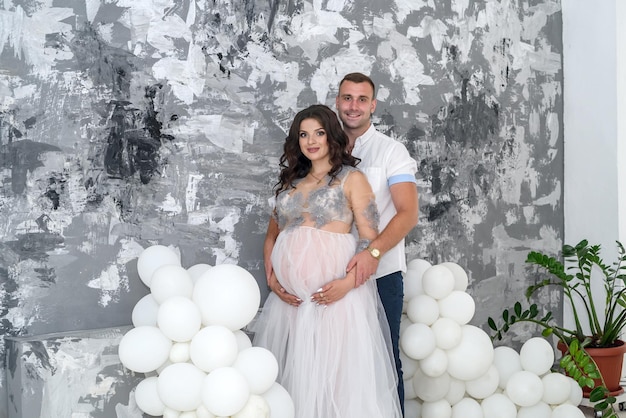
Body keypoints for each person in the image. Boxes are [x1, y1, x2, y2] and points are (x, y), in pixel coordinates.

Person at [252, 104, 402, 418]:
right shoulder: (292, 183)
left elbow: (369, 240)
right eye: (304, 134)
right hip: (291, 302)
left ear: (331, 135)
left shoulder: (352, 179)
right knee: (295, 376)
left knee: (337, 379)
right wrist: (273, 278)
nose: (311, 140)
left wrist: (347, 285)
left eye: (318, 132)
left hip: (336, 297)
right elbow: (271, 237)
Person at [335, 72, 419, 413]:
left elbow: (408, 213)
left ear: (373, 105)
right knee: (337, 362)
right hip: (334, 273)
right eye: (347, 98)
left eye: (361, 99)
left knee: (384, 361)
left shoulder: (390, 152)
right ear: (337, 101)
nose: (353, 106)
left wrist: (372, 252)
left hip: (380, 273)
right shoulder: (323, 147)